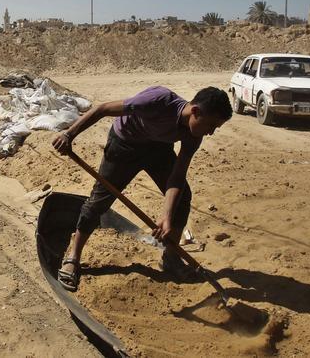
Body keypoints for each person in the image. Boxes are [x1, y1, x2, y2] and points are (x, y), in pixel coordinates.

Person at [51, 86, 232, 291]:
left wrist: (167, 216)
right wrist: (69, 134)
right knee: (99, 200)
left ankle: (171, 258)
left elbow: (177, 176)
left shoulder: (193, 135)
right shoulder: (157, 101)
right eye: (211, 125)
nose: (211, 132)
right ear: (196, 112)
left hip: (158, 149)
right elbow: (102, 109)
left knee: (182, 196)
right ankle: (73, 257)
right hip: (125, 145)